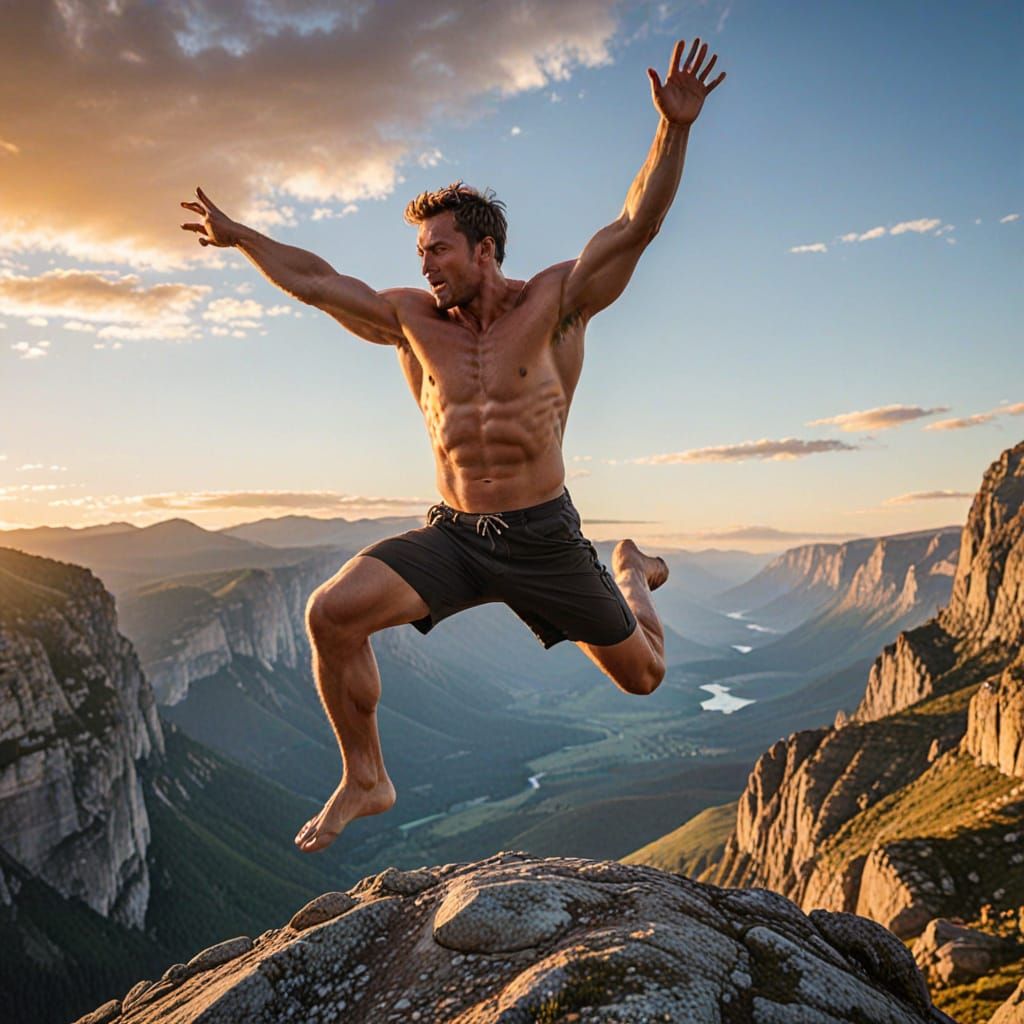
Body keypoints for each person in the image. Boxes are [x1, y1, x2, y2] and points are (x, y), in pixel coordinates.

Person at [180, 37, 726, 853]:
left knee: (646, 676)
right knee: (329, 613)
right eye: (419, 253)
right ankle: (366, 776)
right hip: (457, 536)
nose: (425, 264)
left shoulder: (559, 302)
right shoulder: (411, 321)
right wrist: (244, 237)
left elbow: (637, 222)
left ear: (484, 250)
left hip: (544, 538)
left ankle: (627, 569)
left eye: (438, 249)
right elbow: (321, 280)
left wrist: (672, 129)